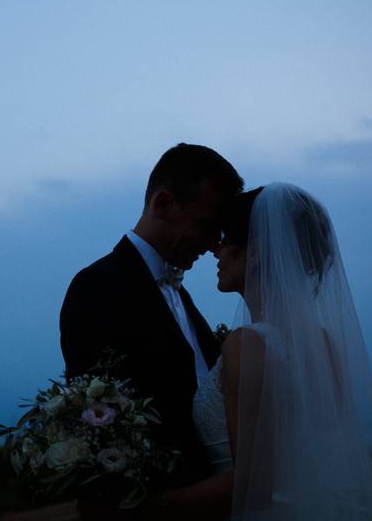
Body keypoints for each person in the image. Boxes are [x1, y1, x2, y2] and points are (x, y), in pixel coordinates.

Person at [168, 183, 372, 520]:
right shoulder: (323, 345)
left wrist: (149, 507)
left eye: (226, 238)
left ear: (255, 252)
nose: (216, 250)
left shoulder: (247, 344)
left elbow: (254, 486)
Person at [59, 143, 244, 487]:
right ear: (163, 204)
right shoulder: (97, 286)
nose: (212, 244)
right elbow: (99, 417)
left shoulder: (180, 294)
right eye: (206, 227)